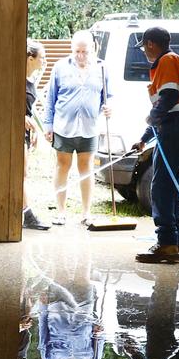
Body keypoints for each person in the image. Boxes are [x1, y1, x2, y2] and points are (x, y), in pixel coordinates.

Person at [131, 27, 179, 264]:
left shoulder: (167, 61)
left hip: (174, 131)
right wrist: (144, 139)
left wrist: (153, 116)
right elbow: (168, 107)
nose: (145, 53)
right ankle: (172, 245)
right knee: (169, 188)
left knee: (161, 189)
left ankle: (167, 244)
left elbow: (168, 98)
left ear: (150, 43)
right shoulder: (176, 62)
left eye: (145, 47)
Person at [44, 30, 112, 226]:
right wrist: (48, 125)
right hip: (63, 126)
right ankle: (61, 212)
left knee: (86, 168)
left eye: (85, 51)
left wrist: (109, 107)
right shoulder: (60, 67)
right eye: (77, 51)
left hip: (89, 127)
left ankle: (86, 213)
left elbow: (109, 96)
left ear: (92, 49)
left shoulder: (101, 68)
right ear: (71, 49)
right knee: (62, 166)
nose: (81, 56)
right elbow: (50, 98)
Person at [23, 40, 51, 230]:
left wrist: (32, 128)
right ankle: (28, 215)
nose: (44, 61)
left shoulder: (31, 81)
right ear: (30, 58)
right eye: (41, 57)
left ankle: (26, 214)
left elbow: (27, 110)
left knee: (23, 174)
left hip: (25, 133)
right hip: (12, 134)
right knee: (21, 175)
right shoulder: (14, 79)